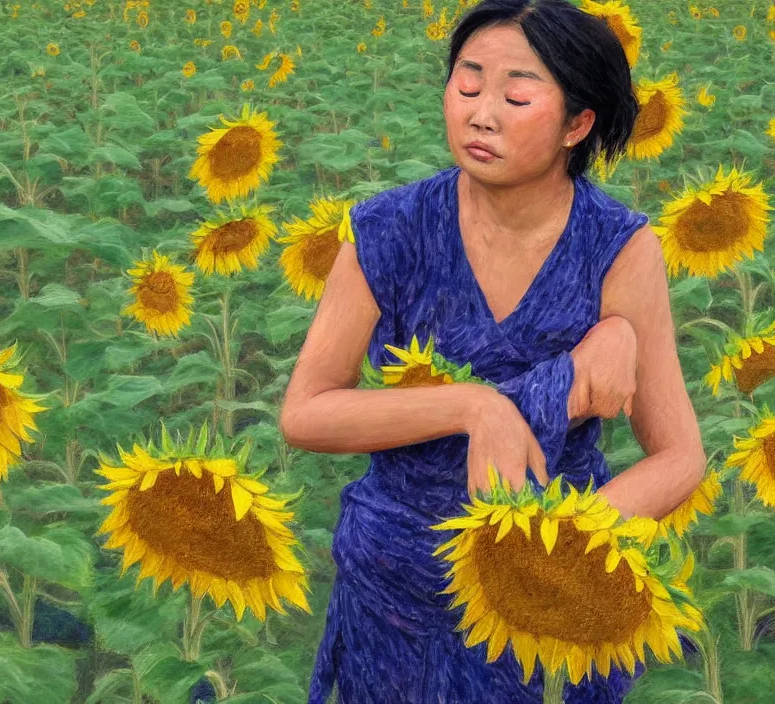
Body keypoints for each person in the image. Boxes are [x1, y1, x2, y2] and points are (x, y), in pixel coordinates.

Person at [279, 1, 707, 702]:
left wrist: (569, 548)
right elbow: (306, 413)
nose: (481, 113)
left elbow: (680, 454)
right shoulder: (389, 230)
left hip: (539, 602)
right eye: (468, 84)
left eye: (515, 94)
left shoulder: (617, 248)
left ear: (577, 123)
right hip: (396, 588)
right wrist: (472, 407)